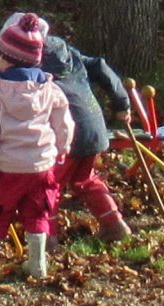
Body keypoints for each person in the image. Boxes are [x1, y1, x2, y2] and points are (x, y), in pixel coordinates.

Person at [0, 13, 74, 279]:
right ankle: (38, 263)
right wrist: (63, 149)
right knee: (37, 211)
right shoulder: (51, 90)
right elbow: (64, 123)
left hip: (8, 167)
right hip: (41, 166)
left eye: (1, 55)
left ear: (6, 59)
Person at [40, 31, 134, 241]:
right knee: (84, 179)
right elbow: (100, 66)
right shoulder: (69, 56)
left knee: (49, 184)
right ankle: (114, 224)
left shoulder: (37, 69)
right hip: (94, 127)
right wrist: (121, 102)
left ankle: (47, 239)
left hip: (67, 134)